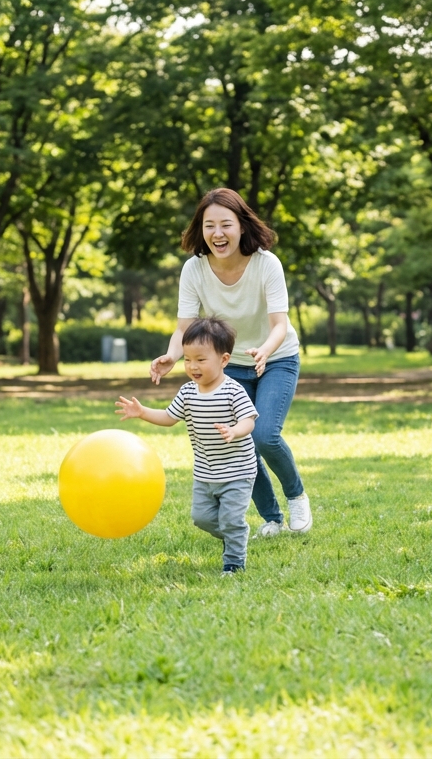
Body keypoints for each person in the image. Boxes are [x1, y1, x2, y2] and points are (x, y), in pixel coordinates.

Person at [150, 188, 311, 536]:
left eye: (226, 224)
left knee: (265, 435)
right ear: (201, 229)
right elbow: (184, 328)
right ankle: (272, 518)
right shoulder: (194, 269)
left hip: (277, 357)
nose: (218, 233)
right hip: (229, 364)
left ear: (241, 225)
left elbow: (279, 324)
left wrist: (264, 350)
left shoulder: (266, 263)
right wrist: (172, 355)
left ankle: (296, 496)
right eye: (209, 225)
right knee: (238, 442)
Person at [117, 317, 259, 574]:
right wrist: (142, 412)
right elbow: (169, 417)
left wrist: (234, 431)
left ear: (224, 360)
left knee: (231, 519)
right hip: (205, 472)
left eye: (201, 359)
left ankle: (234, 563)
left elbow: (248, 420)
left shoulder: (233, 391)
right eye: (188, 359)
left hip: (237, 470)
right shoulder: (187, 392)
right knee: (201, 518)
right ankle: (235, 534)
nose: (193, 366)